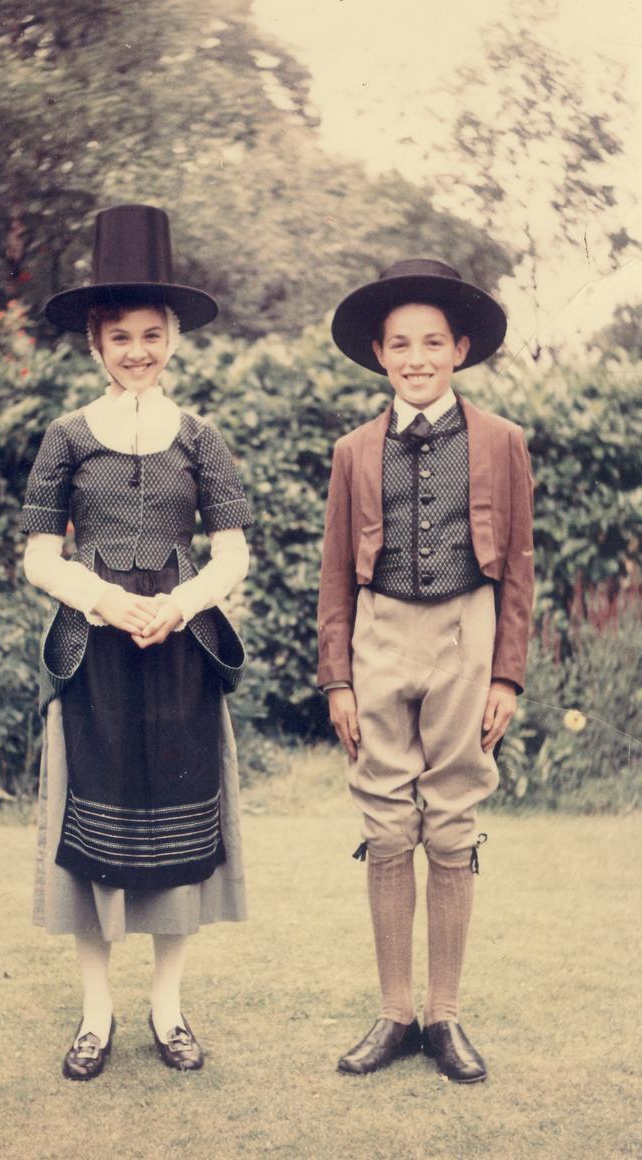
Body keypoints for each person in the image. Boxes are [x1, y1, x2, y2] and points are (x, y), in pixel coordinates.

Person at [21, 204, 252, 1080]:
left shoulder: (202, 438)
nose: (138, 350)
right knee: (94, 836)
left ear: (173, 339)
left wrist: (183, 605)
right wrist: (108, 603)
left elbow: (233, 551)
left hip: (181, 651)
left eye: (152, 334)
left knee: (179, 835)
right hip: (95, 653)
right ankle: (94, 1017)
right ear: (95, 339)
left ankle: (168, 1011)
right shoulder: (67, 436)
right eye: (121, 335)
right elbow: (41, 554)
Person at [317, 258, 534, 1083]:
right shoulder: (352, 450)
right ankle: (393, 1012)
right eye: (400, 344)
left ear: (460, 348)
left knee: (450, 821)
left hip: (464, 634)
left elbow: (519, 566)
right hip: (379, 636)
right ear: (379, 353)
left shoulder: (501, 442)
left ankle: (444, 1016)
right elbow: (336, 566)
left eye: (432, 343)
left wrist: (505, 675)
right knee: (384, 821)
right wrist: (337, 675)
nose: (416, 358)